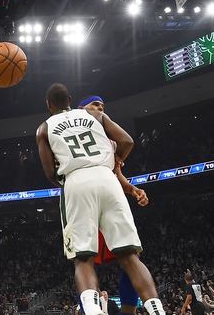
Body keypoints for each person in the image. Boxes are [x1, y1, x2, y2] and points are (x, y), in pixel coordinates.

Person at [35, 83, 166, 315]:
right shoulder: (94, 115)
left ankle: (94, 312)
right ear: (71, 100)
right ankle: (157, 310)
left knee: (83, 259)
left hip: (76, 181)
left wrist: (68, 180)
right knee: (129, 257)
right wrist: (114, 161)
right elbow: (127, 141)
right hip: (107, 178)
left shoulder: (43, 128)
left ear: (48, 105)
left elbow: (49, 173)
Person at [77, 96, 147, 315]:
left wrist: (133, 189)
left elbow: (119, 176)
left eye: (102, 107)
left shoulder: (109, 142)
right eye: (95, 105)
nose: (99, 108)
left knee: (130, 257)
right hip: (85, 201)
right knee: (87, 260)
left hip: (108, 200)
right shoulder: (69, 132)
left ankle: (128, 312)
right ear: (81, 109)